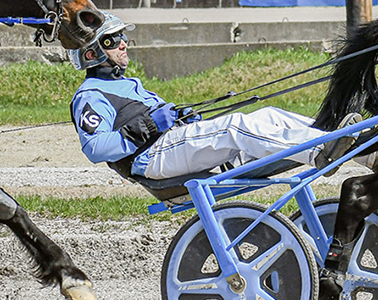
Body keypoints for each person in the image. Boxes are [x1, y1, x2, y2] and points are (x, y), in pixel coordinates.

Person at [69, 14, 360, 182]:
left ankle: (356, 146)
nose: (123, 44)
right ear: (91, 54)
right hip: (149, 158)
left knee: (270, 114)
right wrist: (149, 125)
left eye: (122, 37)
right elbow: (95, 148)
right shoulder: (90, 96)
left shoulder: (128, 83)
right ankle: (318, 153)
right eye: (112, 41)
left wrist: (182, 117)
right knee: (234, 127)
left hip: (168, 146)